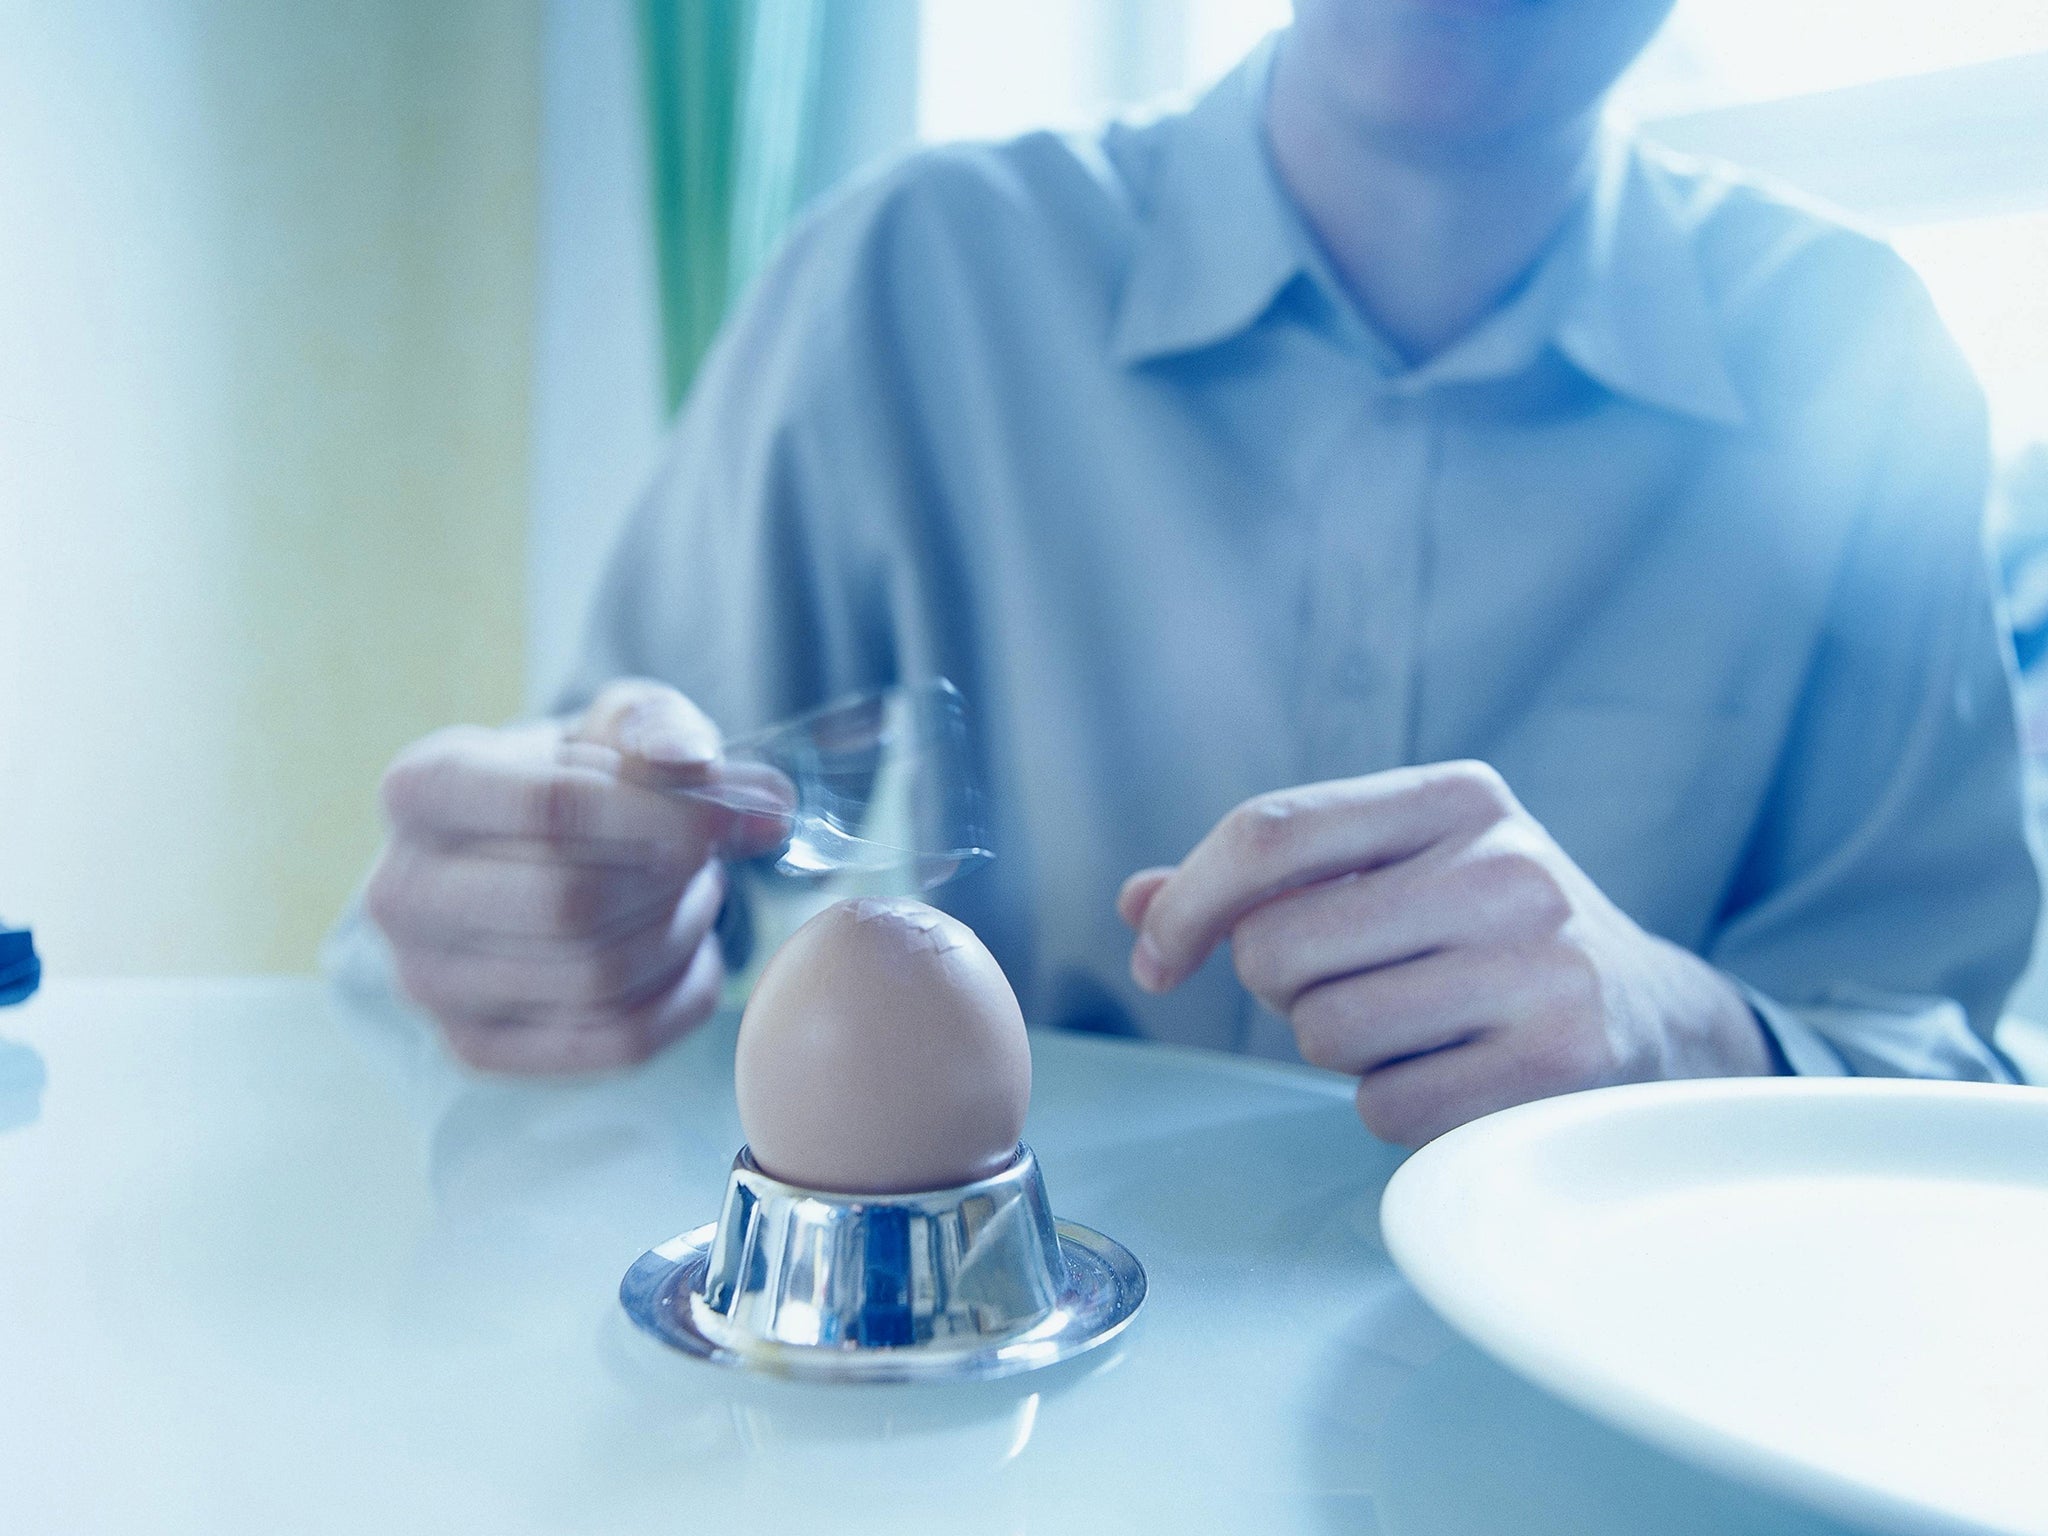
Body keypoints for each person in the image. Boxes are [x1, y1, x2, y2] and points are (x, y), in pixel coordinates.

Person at [355, 0, 2039, 1147]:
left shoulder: (1861, 365)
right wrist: (553, 909)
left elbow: (1954, 1106)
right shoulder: (904, 285)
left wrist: (1676, 1025)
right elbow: (570, 878)